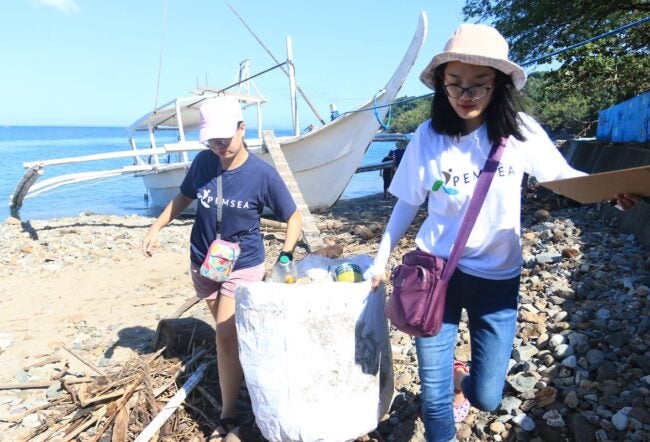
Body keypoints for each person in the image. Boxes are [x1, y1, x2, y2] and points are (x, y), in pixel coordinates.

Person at [367, 24, 639, 442]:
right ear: (441, 84)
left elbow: (564, 178)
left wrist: (607, 191)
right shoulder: (428, 136)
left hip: (497, 278)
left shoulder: (520, 132)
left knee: (489, 397)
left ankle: (465, 381)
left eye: (479, 85)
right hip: (436, 273)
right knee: (435, 398)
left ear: (499, 85)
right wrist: (381, 260)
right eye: (455, 84)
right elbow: (408, 200)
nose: (466, 95)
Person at [141, 95, 302, 441]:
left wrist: (285, 256)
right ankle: (242, 374)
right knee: (228, 332)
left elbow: (294, 217)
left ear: (242, 129)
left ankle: (231, 414)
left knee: (225, 337)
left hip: (243, 263)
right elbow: (184, 197)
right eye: (212, 140)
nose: (219, 146)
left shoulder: (262, 175)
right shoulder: (203, 163)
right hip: (203, 259)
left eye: (225, 139)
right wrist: (156, 227)